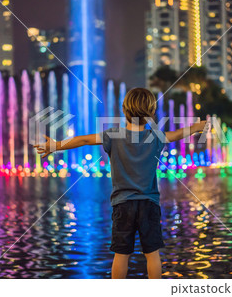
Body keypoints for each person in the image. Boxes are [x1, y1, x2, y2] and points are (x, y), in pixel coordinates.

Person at [34, 88, 206, 279]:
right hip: (149, 203)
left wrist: (56, 146)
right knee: (152, 254)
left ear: (124, 110)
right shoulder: (155, 137)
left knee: (121, 255)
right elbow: (177, 134)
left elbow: (83, 139)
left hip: (123, 204)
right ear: (151, 114)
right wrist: (197, 127)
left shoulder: (113, 135)